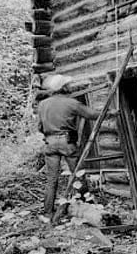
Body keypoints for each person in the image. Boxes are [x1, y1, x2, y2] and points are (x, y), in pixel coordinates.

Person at [36, 74, 99, 223]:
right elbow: (91, 114)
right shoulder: (71, 103)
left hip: (50, 143)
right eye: (67, 85)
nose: (69, 87)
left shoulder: (42, 104)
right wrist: (109, 112)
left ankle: (48, 213)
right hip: (67, 142)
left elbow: (40, 127)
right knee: (78, 175)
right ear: (63, 87)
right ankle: (86, 206)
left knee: (52, 180)